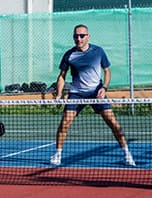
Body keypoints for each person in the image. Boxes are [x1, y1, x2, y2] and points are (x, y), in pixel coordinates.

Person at [51, 24, 135, 167]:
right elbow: (61, 77)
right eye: (76, 36)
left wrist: (104, 87)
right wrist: (59, 94)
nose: (79, 38)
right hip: (77, 93)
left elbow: (107, 71)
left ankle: (127, 154)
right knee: (65, 123)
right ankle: (58, 154)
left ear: (88, 36)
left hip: (96, 92)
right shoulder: (69, 55)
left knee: (113, 123)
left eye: (82, 35)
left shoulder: (98, 51)